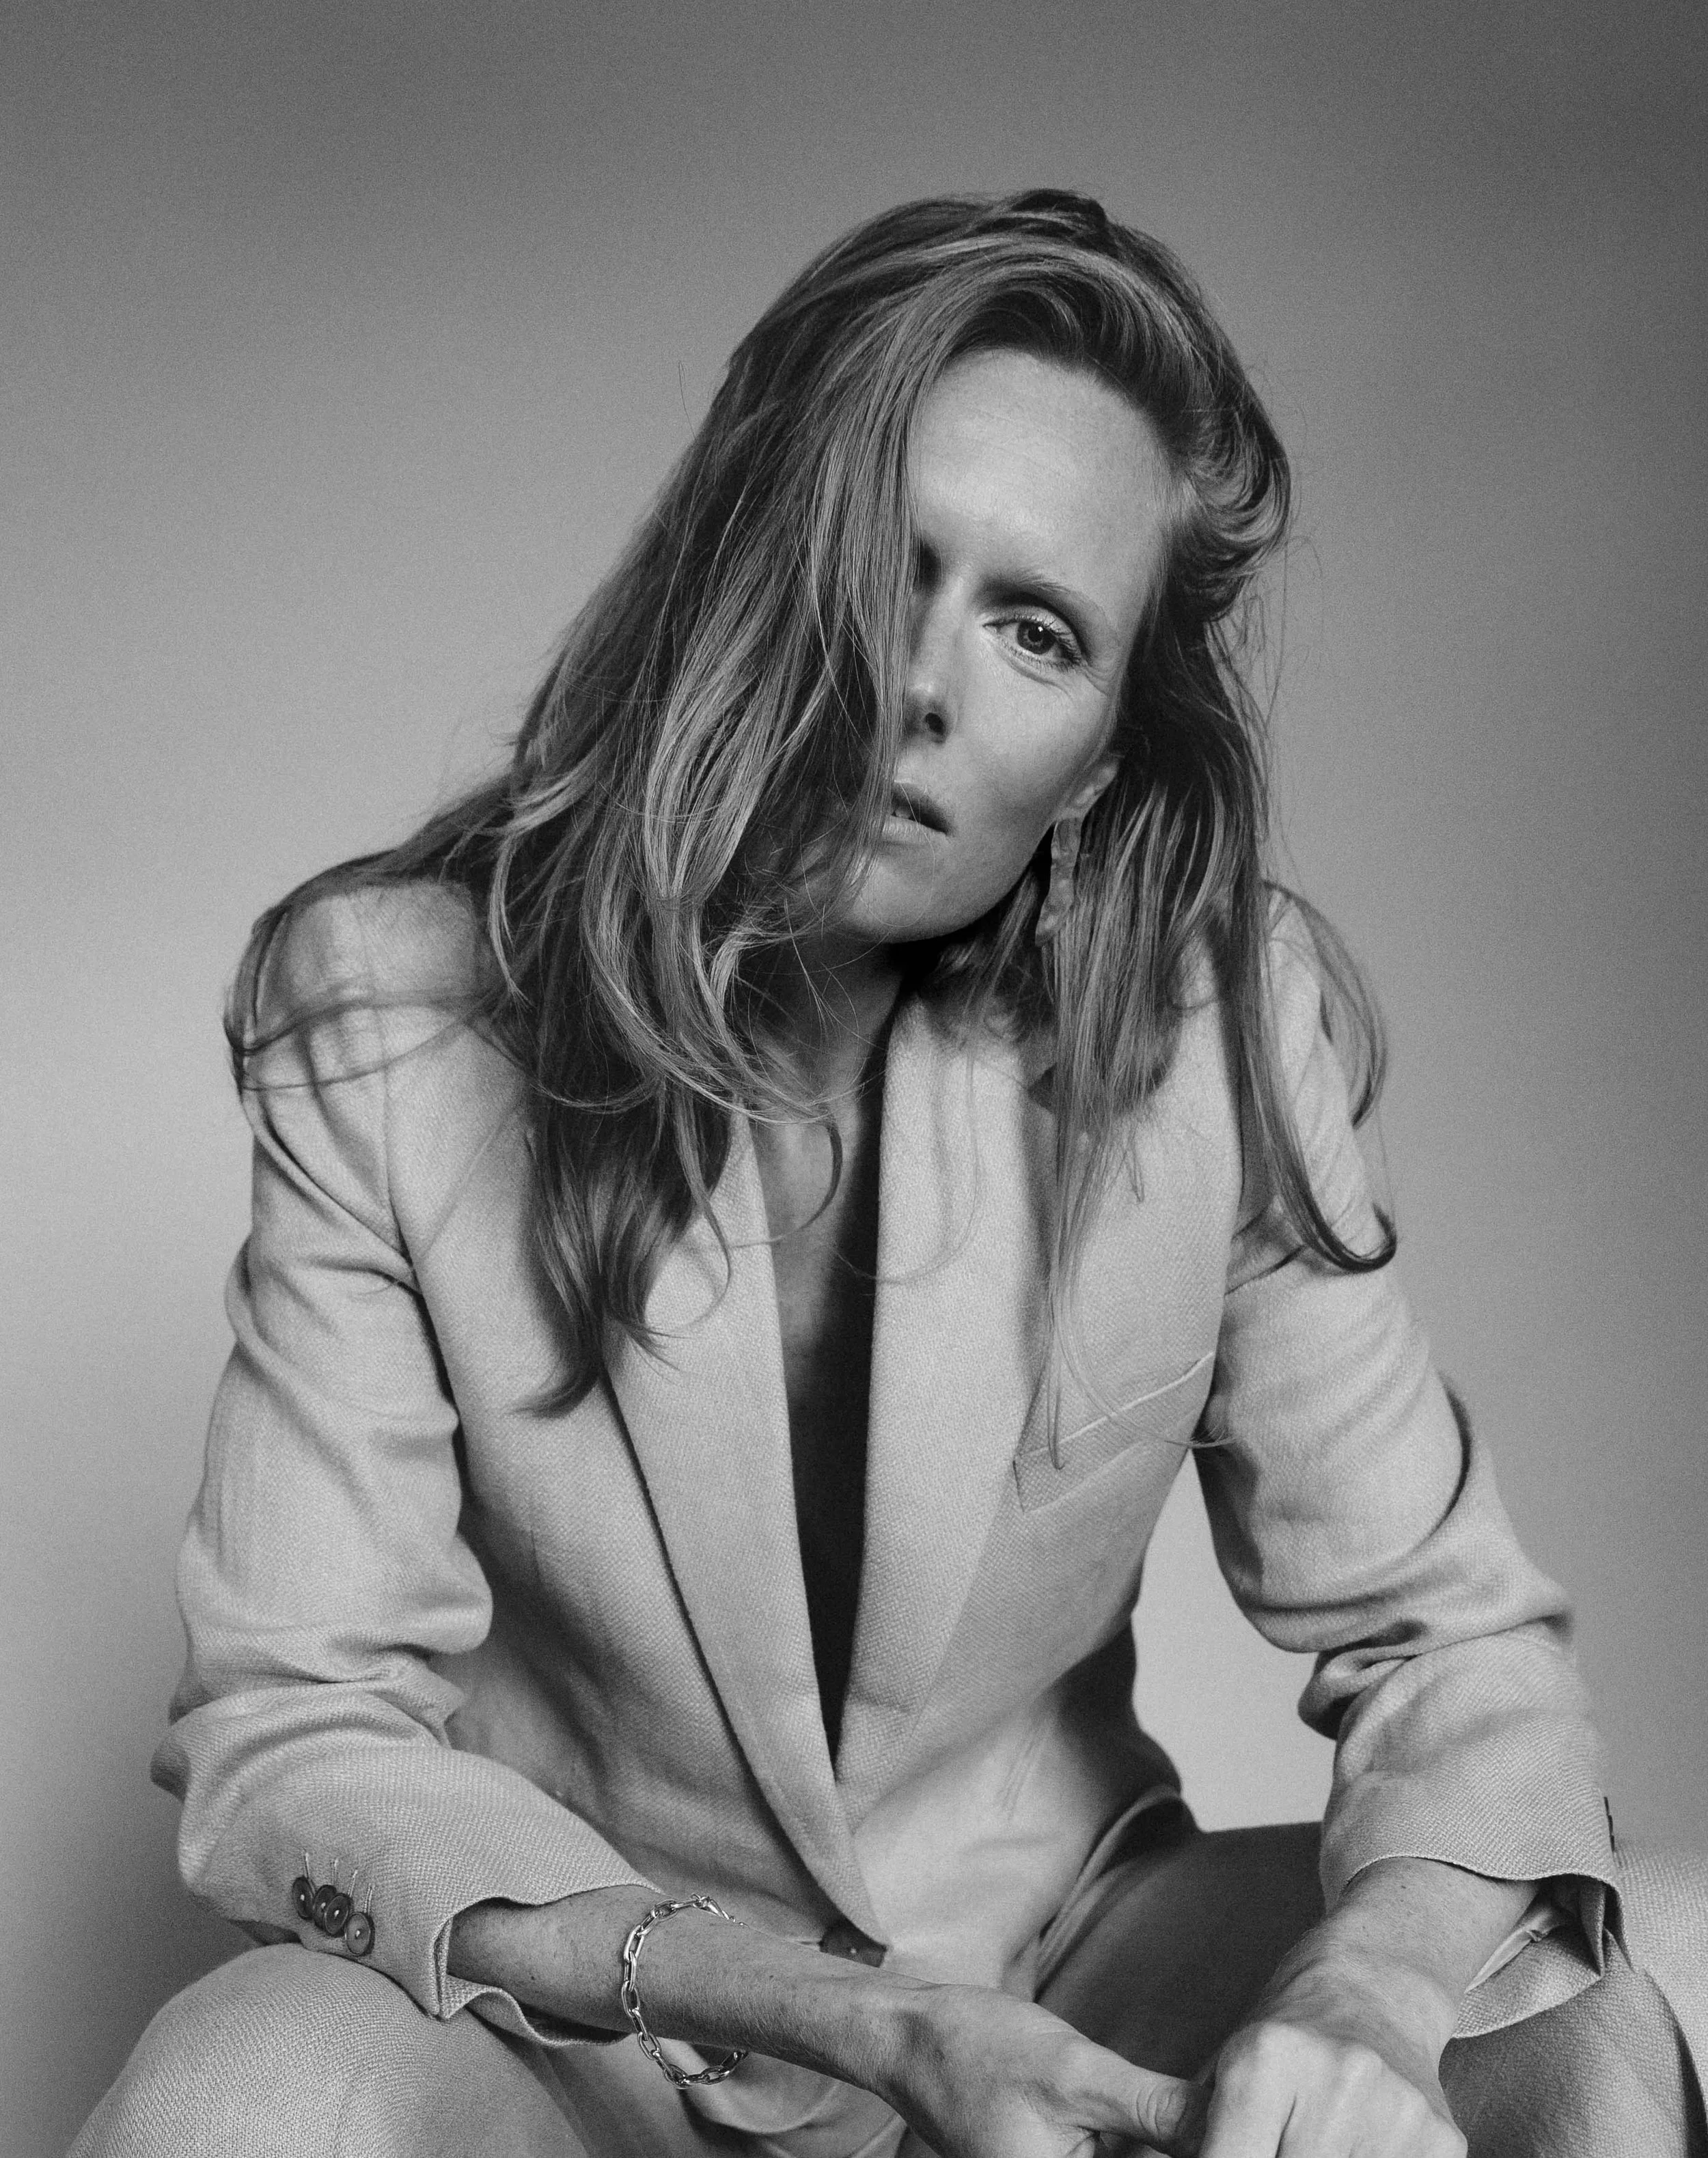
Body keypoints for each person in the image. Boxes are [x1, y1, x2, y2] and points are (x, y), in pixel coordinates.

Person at [72, 191, 1703, 2158]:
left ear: (1099, 752)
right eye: (882, 563)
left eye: (1035, 628)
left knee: (1619, 1985)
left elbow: (1451, 1644)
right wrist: (850, 2017)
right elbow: (294, 1719)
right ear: (738, 560)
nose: (920, 683)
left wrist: (1363, 1993)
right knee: (247, 2093)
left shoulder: (1211, 1028)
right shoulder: (395, 1017)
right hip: (609, 2028)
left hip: (1073, 1971)